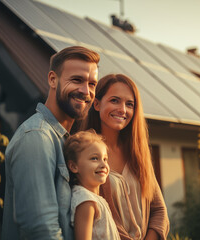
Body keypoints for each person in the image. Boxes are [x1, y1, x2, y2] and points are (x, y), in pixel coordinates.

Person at [1, 46, 100, 239]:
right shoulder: (36, 137)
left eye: (92, 84)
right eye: (77, 80)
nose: (86, 91)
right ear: (53, 79)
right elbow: (41, 230)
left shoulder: (64, 140)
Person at [81, 74, 170, 240]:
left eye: (129, 104)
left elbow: (159, 210)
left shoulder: (138, 153)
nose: (122, 109)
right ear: (97, 104)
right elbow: (96, 217)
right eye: (115, 100)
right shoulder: (83, 154)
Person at [63, 130, 121, 240]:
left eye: (105, 159)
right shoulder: (86, 201)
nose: (104, 164)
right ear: (74, 166)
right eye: (94, 158)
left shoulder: (95, 199)